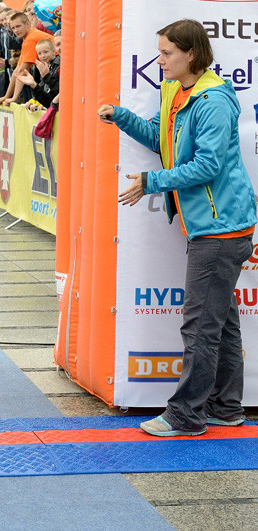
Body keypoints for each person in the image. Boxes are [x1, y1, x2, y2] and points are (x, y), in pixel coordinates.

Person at [98, 19, 257, 437]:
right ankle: (225, 406)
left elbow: (208, 165)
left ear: (191, 54)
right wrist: (122, 116)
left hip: (221, 227)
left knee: (202, 324)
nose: (160, 60)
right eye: (159, 51)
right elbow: (163, 141)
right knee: (219, 321)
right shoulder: (176, 89)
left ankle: (187, 415)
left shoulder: (213, 101)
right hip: (214, 224)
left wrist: (151, 182)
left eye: (167, 53)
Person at [0, 11, 52, 105]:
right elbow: (17, 70)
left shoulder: (31, 38)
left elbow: (22, 71)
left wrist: (14, 98)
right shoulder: (27, 38)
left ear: (27, 24)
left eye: (18, 26)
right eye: (13, 28)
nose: (16, 30)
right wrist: (7, 96)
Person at [15, 38, 59, 108]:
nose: (43, 56)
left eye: (46, 52)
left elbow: (56, 91)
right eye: (39, 53)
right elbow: (43, 87)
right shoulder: (40, 66)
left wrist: (47, 76)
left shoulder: (58, 65)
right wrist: (34, 86)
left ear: (53, 51)